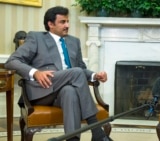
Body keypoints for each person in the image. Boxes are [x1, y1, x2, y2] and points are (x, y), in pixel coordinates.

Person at [5, 6, 112, 141]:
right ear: (50, 24)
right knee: (76, 74)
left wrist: (94, 76)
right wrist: (36, 72)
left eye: (68, 21)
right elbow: (12, 61)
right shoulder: (36, 38)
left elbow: (80, 68)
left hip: (63, 90)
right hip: (42, 89)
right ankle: (97, 130)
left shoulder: (74, 42)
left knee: (70, 92)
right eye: (63, 22)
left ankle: (73, 139)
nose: (67, 25)